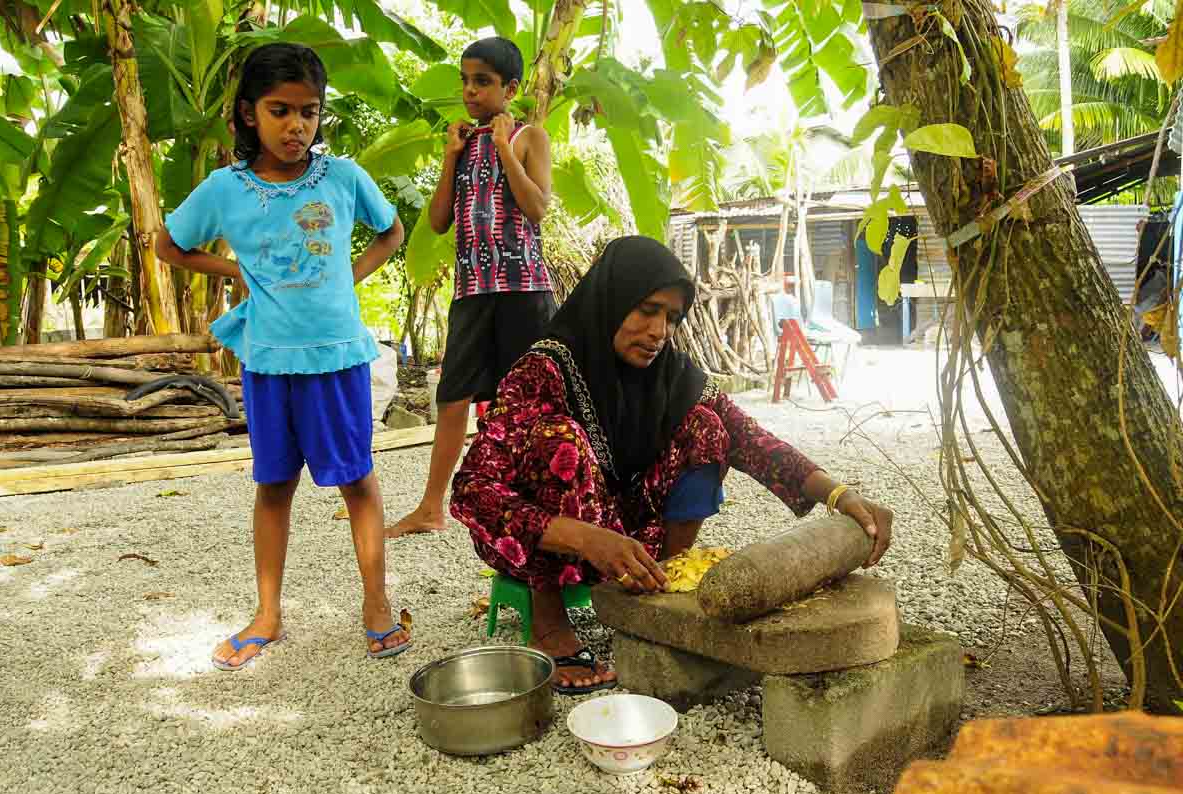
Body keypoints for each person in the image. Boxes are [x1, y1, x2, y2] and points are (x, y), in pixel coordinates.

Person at [450, 236, 894, 693]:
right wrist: (584, 537)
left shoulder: (670, 374)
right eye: (647, 309)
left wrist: (840, 494)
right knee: (558, 441)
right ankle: (548, 620)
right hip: (540, 540)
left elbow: (748, 438)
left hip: (626, 543)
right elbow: (471, 490)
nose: (659, 330)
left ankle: (665, 581)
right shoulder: (542, 369)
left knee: (707, 425)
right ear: (612, 298)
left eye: (672, 317)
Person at [155, 43, 410, 669]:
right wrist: (233, 271)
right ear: (248, 115)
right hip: (268, 362)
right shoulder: (224, 190)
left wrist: (346, 279)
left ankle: (376, 605)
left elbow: (392, 231)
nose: (296, 126)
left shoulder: (344, 178)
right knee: (273, 486)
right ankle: (268, 614)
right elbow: (169, 245)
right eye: (280, 111)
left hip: (339, 359)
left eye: (309, 111)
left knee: (357, 479)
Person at [387, 36, 556, 537]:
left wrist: (504, 148)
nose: (470, 91)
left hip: (523, 290)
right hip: (472, 291)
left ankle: (537, 504)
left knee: (528, 399)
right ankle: (431, 507)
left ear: (510, 87)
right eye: (465, 80)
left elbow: (537, 208)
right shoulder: (460, 143)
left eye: (482, 82)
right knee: (453, 396)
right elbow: (439, 222)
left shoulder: (530, 138)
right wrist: (448, 158)